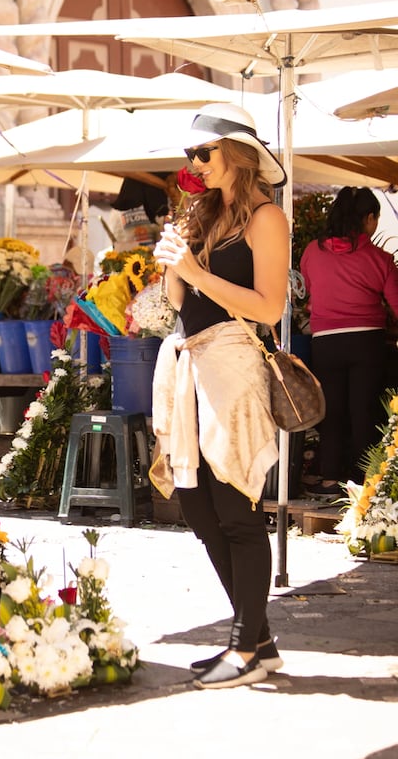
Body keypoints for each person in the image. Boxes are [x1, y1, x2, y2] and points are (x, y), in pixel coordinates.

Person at [151, 102, 290, 690]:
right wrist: (171, 267)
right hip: (190, 361)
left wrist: (196, 270)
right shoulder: (204, 216)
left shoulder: (266, 218)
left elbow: (270, 308)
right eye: (190, 156)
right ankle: (256, 642)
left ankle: (245, 649)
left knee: (235, 509)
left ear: (236, 153)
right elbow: (183, 305)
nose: (195, 164)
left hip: (232, 364)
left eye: (203, 153)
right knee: (199, 508)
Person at [300, 186, 398, 497]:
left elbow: (309, 291)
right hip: (366, 341)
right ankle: (364, 484)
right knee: (363, 411)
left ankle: (329, 479)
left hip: (325, 341)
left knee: (331, 410)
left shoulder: (312, 252)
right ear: (368, 218)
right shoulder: (379, 258)